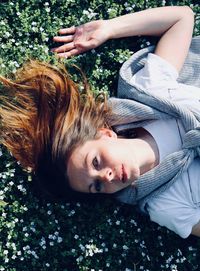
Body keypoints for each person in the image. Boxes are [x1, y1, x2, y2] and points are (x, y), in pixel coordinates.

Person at [0, 6, 200, 238]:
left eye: (95, 162)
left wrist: (110, 27)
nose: (106, 177)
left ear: (105, 134)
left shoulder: (149, 92)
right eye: (96, 186)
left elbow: (181, 18)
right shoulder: (165, 204)